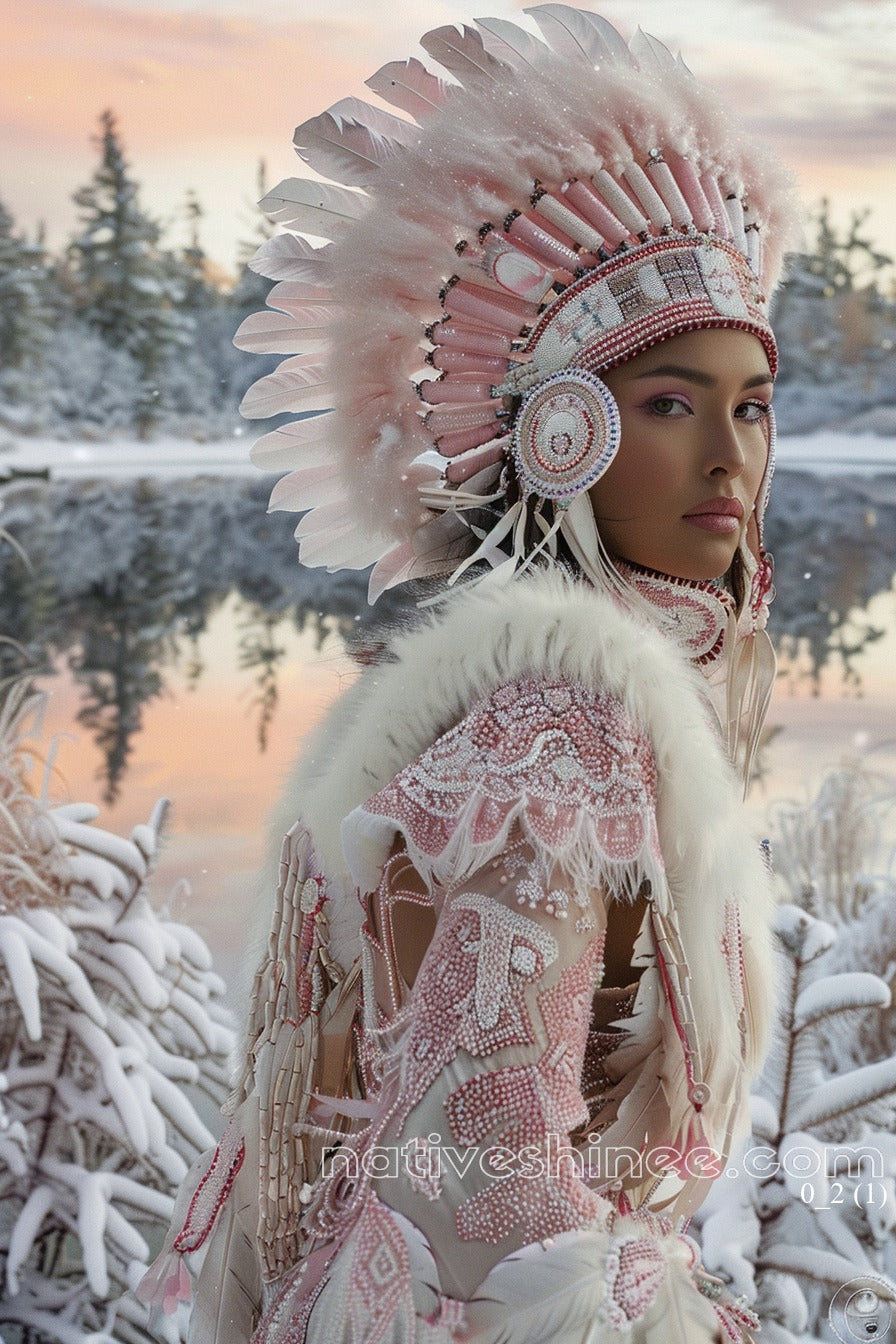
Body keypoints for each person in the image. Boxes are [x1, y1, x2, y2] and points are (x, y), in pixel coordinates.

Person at [139, 9, 798, 1341]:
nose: (731, 456)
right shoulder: (564, 725)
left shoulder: (558, 703)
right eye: (672, 402)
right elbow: (476, 1196)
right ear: (567, 430)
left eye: (754, 404)